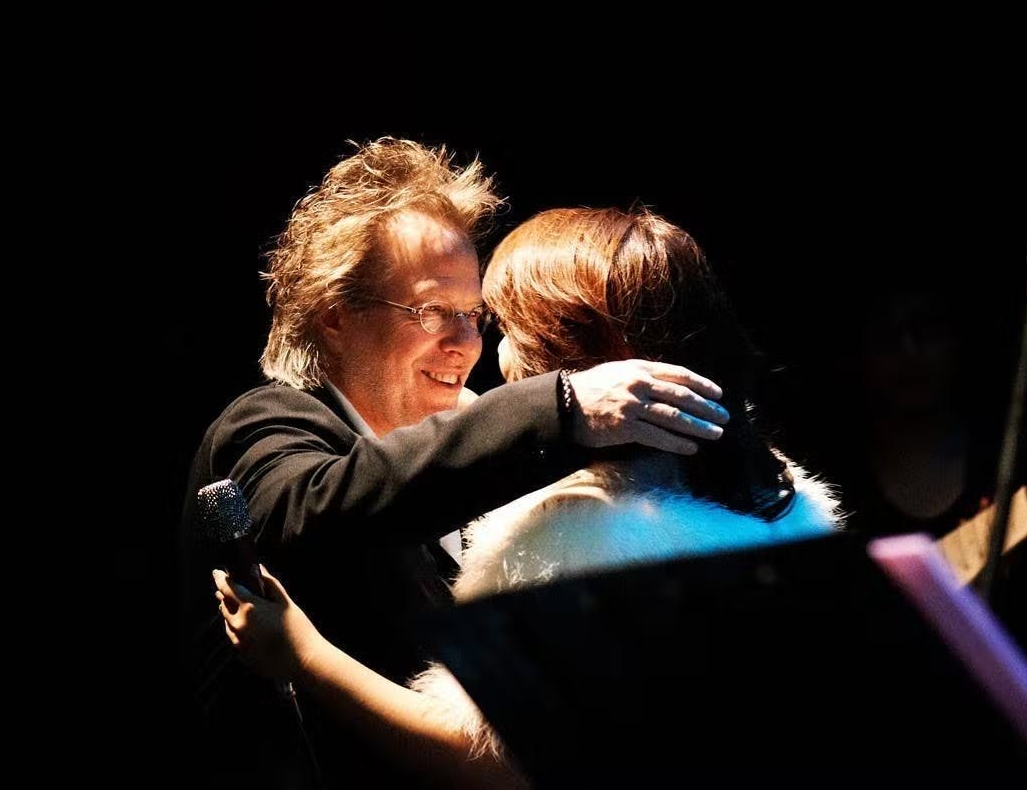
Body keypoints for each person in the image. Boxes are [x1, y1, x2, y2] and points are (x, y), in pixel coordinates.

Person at [214, 206, 842, 787]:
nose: (478, 348)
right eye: (433, 311)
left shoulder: (580, 524)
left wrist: (305, 657)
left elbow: (494, 760)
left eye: (494, 324)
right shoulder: (774, 487)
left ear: (568, 350)